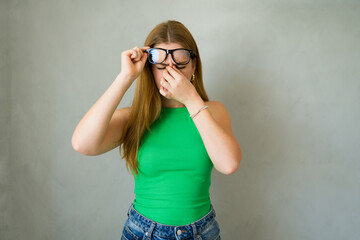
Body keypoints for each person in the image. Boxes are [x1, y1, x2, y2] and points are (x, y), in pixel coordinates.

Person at [72, 20, 242, 240]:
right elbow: (82, 144)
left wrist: (191, 98)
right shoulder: (135, 118)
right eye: (161, 66)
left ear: (193, 66)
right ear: (150, 70)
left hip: (202, 233)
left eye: (180, 64)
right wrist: (126, 77)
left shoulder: (213, 112)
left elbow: (229, 164)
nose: (171, 72)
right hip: (142, 233)